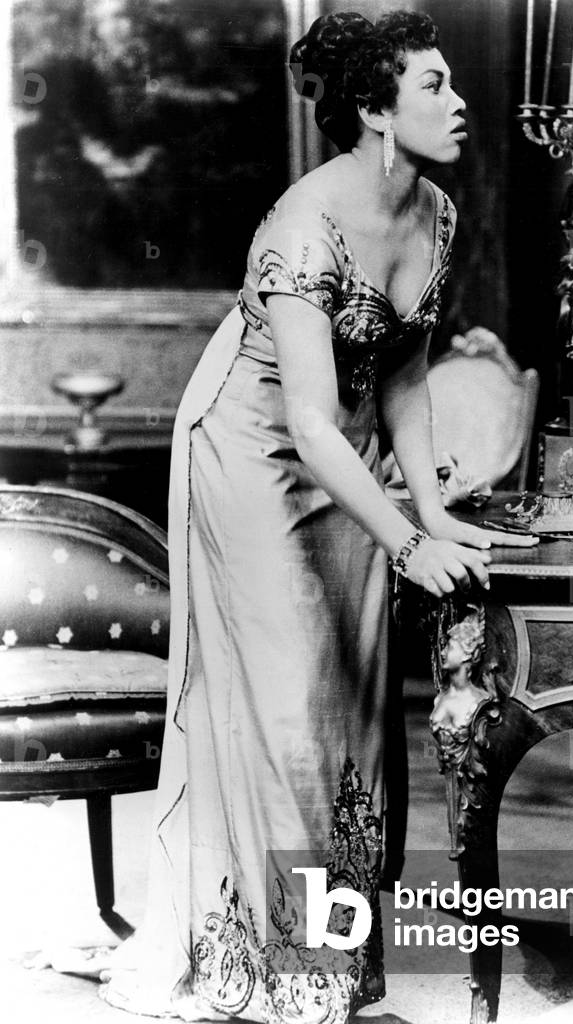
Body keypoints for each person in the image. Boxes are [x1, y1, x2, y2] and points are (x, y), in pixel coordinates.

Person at [97, 10, 535, 1022]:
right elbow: (302, 414)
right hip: (253, 450)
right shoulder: (301, 227)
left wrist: (432, 513)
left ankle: (333, 964)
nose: (458, 100)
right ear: (376, 113)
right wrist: (405, 539)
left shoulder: (435, 210)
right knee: (290, 704)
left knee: (352, 690)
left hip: (348, 455)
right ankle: (289, 974)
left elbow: (403, 375)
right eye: (433, 86)